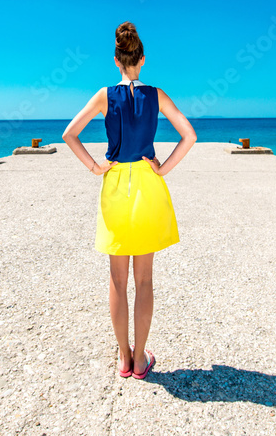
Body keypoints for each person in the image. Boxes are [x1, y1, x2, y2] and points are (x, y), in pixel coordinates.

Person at [62, 21, 197, 379]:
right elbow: (189, 135)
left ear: (117, 61)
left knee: (118, 280)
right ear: (142, 59)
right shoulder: (157, 94)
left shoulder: (105, 96)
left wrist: (94, 167)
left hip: (116, 182)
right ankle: (141, 361)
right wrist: (163, 168)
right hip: (148, 183)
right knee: (145, 280)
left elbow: (69, 133)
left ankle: (123, 357)